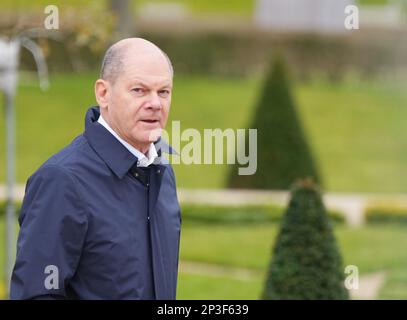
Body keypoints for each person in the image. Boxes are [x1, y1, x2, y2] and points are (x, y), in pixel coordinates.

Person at [10, 38, 181, 300]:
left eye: (163, 92)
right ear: (103, 93)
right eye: (139, 90)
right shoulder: (62, 181)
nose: (155, 103)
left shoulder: (162, 172)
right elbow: (36, 294)